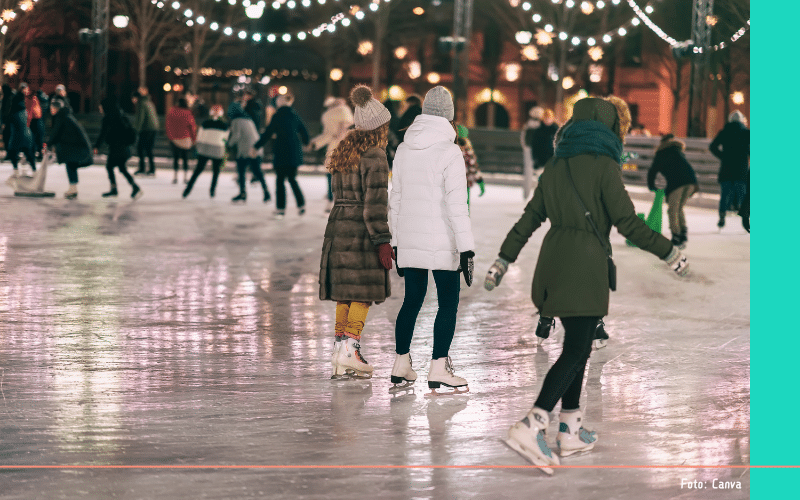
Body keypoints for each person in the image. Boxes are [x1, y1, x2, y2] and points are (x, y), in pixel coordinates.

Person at [483, 96, 689, 474]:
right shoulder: (605, 166)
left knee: (577, 344)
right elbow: (628, 223)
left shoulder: (555, 165)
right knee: (577, 350)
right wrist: (669, 252)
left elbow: (529, 219)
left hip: (552, 268)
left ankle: (570, 429)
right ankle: (532, 424)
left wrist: (503, 259)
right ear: (610, 129)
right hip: (585, 268)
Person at [389, 86, 475, 394]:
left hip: (410, 239)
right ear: (450, 117)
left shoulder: (402, 149)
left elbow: (394, 200)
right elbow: (457, 205)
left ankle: (401, 364)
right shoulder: (450, 151)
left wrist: (396, 243)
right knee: (448, 303)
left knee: (411, 300)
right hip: (443, 242)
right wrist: (466, 249)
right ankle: (438, 367)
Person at [320, 85, 393, 380]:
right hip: (361, 231)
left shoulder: (344, 150)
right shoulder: (375, 156)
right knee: (362, 293)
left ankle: (340, 351)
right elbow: (375, 205)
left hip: (339, 227)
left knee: (345, 293)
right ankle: (351, 349)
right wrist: (382, 241)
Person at [253, 92, 309, 218]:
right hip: (294, 152)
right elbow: (304, 131)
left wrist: (256, 146)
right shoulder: (295, 115)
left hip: (281, 151)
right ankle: (301, 205)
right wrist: (306, 142)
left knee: (280, 181)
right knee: (292, 179)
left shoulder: (277, 116)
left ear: (279, 104)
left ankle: (280, 209)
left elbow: (268, 133)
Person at [647, 134, 699, 247]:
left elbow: (652, 171)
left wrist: (651, 186)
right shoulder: (677, 150)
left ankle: (676, 237)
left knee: (673, 210)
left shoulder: (662, 153)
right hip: (691, 182)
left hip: (678, 183)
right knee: (679, 208)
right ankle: (683, 233)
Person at [310, 96, 354, 212]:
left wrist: (316, 143)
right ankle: (335, 200)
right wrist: (316, 143)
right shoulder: (338, 115)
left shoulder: (337, 114)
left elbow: (332, 132)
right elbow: (329, 134)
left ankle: (334, 200)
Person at [94, 96, 142, 200]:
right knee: (122, 169)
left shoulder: (108, 118)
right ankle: (134, 187)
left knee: (110, 167)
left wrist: (96, 146)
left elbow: (103, 134)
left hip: (117, 148)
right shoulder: (121, 115)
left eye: (101, 106)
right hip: (125, 148)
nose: (100, 109)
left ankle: (114, 189)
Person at [709, 110, 750, 229]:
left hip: (726, 167)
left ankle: (722, 217)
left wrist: (722, 156)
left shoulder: (724, 132)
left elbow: (712, 147)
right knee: (743, 194)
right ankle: (744, 219)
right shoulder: (746, 133)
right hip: (741, 168)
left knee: (725, 194)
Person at [46, 99, 93, 199]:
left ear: (56, 108)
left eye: (52, 108)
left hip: (77, 148)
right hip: (77, 147)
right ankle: (73, 188)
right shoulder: (66, 116)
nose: (51, 110)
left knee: (70, 165)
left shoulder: (61, 117)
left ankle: (73, 189)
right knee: (71, 165)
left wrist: (48, 145)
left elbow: (56, 133)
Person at [183, 104, 229, 199]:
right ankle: (212, 190)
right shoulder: (225, 125)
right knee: (216, 171)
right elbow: (226, 139)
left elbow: (199, 137)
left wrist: (198, 146)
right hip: (218, 149)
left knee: (198, 170)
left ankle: (188, 189)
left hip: (205, 148)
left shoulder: (205, 123)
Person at [228, 100, 270, 203]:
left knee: (241, 171)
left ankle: (243, 193)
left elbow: (236, 135)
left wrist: (228, 144)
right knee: (257, 171)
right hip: (256, 149)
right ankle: (266, 192)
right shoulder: (248, 119)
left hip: (246, 151)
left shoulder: (236, 120)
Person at [165, 97, 197, 184]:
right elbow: (192, 128)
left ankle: (175, 177)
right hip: (185, 139)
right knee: (185, 158)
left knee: (176, 158)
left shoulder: (172, 112)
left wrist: (170, 136)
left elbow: (168, 125)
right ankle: (185, 177)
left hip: (174, 139)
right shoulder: (188, 113)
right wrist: (194, 139)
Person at [6, 85, 36, 175]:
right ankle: (34, 169)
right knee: (28, 151)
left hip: (17, 134)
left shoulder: (17, 103)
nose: (28, 91)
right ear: (22, 90)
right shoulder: (21, 104)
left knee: (13, 151)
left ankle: (16, 170)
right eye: (26, 89)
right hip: (23, 133)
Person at [132, 87, 159, 176]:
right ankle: (152, 169)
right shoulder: (149, 102)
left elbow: (140, 118)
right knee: (149, 150)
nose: (133, 101)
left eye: (133, 98)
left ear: (136, 98)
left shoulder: (141, 103)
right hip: (153, 128)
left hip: (146, 129)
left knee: (140, 149)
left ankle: (142, 168)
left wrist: (136, 130)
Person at [456, 125, 485, 205]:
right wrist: (480, 181)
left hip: (450, 185)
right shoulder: (467, 149)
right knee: (463, 207)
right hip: (464, 184)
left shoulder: (447, 148)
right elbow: (473, 167)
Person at [23, 85, 46, 160]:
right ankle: (35, 153)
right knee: (35, 138)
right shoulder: (32, 99)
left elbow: (32, 112)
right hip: (35, 120)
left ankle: (37, 153)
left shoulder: (34, 99)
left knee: (36, 138)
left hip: (36, 120)